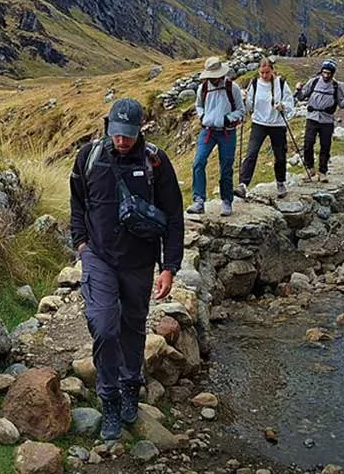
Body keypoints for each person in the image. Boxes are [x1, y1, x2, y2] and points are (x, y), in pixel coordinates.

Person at [69, 98, 185, 441]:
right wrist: (80, 243)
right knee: (104, 327)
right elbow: (77, 201)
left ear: (140, 130)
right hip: (99, 258)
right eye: (117, 134)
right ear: (108, 127)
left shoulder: (155, 162)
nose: (122, 141)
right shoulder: (89, 157)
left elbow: (174, 217)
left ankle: (131, 387)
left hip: (139, 262)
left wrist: (169, 267)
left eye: (129, 135)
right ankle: (109, 400)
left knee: (132, 328)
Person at [187, 57, 246, 216]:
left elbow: (241, 110)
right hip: (208, 131)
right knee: (198, 162)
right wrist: (202, 116)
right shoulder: (203, 88)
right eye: (211, 76)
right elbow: (199, 105)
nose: (214, 79)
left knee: (226, 166)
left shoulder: (232, 88)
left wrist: (228, 119)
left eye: (216, 76)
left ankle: (226, 201)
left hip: (227, 132)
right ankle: (199, 200)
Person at [236, 57, 294, 199]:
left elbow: (290, 103)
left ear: (272, 70)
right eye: (262, 72)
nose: (264, 75)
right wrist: (244, 100)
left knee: (280, 156)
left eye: (267, 72)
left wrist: (283, 106)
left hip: (277, 124)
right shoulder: (254, 84)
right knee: (251, 153)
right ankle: (243, 184)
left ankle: (280, 183)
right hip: (259, 123)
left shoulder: (281, 84)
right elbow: (250, 107)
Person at [294, 58, 344, 183]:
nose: (326, 75)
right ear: (321, 71)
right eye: (324, 72)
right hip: (312, 117)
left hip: (327, 120)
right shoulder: (314, 82)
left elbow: (342, 104)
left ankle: (323, 172)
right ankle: (310, 169)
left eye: (328, 73)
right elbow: (301, 97)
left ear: (333, 74)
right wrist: (298, 89)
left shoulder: (336, 86)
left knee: (325, 146)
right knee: (308, 144)